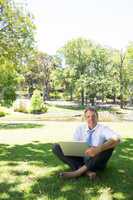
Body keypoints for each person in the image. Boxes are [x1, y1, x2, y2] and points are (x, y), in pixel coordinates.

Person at [52, 106, 120, 179]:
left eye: (93, 116)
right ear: (85, 118)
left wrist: (98, 149)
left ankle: (76, 173)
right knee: (56, 147)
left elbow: (117, 138)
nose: (91, 119)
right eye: (88, 117)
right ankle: (87, 172)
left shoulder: (103, 128)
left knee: (109, 147)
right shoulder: (80, 128)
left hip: (96, 161)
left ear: (97, 117)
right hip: (81, 159)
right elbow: (75, 145)